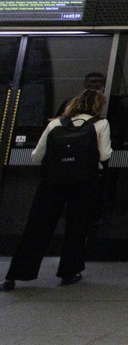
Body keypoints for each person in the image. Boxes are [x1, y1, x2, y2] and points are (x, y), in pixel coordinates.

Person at [3, 89, 112, 291]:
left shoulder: (55, 124)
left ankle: (16, 274)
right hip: (84, 182)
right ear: (98, 105)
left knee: (37, 227)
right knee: (76, 227)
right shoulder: (101, 124)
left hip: (53, 181)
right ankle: (69, 272)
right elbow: (105, 155)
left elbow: (36, 156)